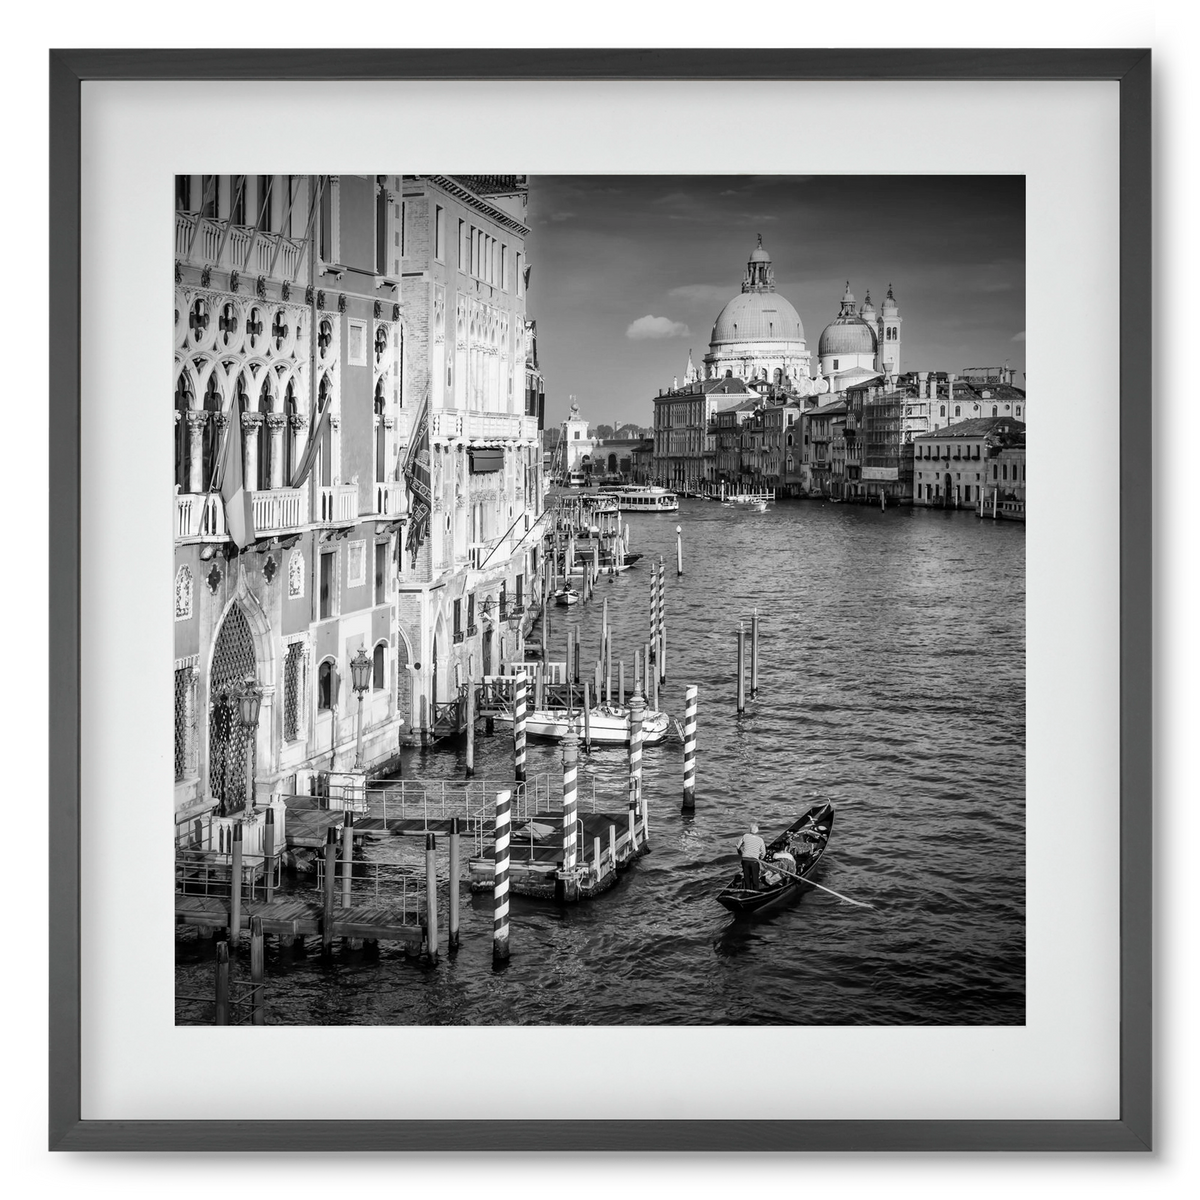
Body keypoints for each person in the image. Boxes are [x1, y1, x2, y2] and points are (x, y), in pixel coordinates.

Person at [737, 822, 767, 889]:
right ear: (757, 830)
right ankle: (755, 890)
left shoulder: (745, 836)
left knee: (746, 877)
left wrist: (740, 854)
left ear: (750, 829)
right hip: (754, 861)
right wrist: (761, 858)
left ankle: (747, 890)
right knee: (755, 878)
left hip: (745, 860)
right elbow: (763, 852)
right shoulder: (760, 840)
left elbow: (738, 846)